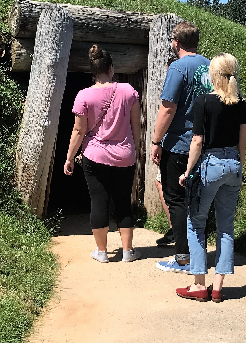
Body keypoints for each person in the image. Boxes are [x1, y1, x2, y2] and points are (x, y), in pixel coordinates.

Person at [175, 53, 246, 302]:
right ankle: (217, 286)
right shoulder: (241, 104)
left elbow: (197, 141)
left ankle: (198, 284)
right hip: (234, 165)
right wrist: (240, 167)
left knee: (196, 222)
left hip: (211, 164)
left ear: (213, 75)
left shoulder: (203, 102)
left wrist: (187, 171)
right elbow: (242, 143)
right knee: (226, 226)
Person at [64, 45, 142, 263]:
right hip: (125, 155)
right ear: (111, 68)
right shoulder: (128, 91)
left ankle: (102, 252)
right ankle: (127, 252)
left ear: (92, 70)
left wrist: (69, 157)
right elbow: (136, 124)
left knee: (99, 200)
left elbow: (79, 130)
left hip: (95, 155)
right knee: (123, 201)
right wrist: (134, 148)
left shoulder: (84, 95)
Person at [152, 21, 212, 273]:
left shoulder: (178, 68)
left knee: (175, 200)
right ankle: (198, 252)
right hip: (206, 144)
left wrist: (156, 141)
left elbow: (168, 108)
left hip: (179, 144)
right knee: (197, 200)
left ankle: (183, 257)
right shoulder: (212, 67)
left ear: (176, 42)